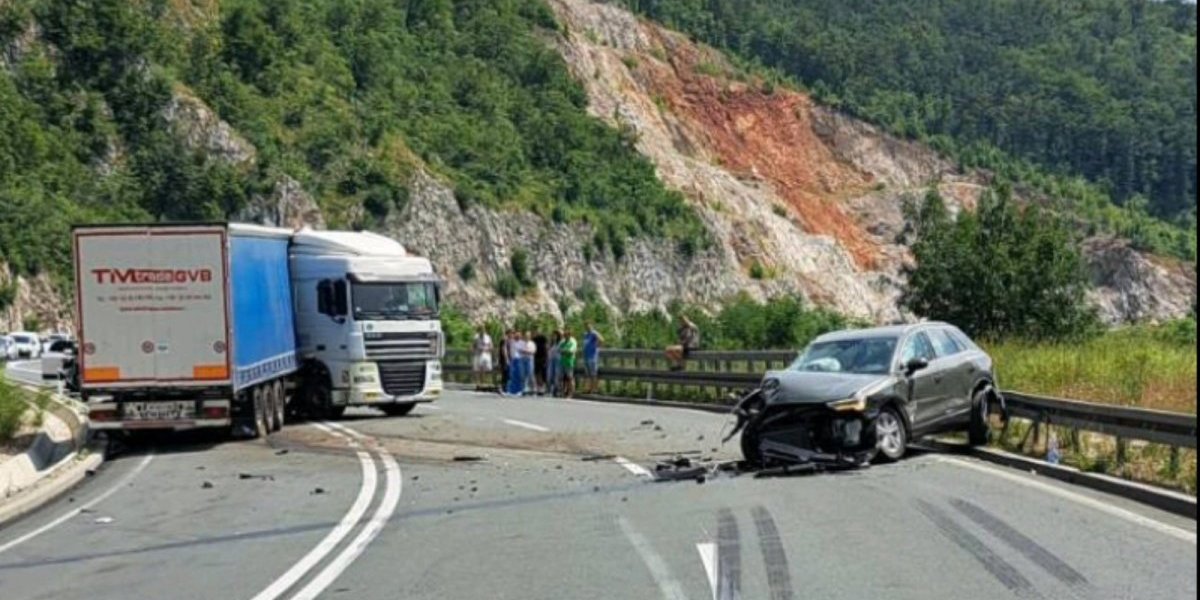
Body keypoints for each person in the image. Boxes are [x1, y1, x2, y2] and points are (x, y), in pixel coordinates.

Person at [582, 323, 604, 394]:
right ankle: (588, 388)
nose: (587, 327)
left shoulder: (594, 333)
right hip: (586, 356)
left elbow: (602, 340)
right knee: (588, 374)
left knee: (593, 374)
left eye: (589, 326)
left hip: (592, 356)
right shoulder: (586, 335)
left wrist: (597, 347)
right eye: (586, 326)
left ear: (592, 326)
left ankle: (594, 389)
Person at [471, 326, 493, 390]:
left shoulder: (488, 337)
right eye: (481, 330)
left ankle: (484, 382)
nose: (482, 331)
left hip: (485, 354)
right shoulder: (476, 337)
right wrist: (473, 349)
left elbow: (491, 346)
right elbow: (473, 345)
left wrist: (487, 349)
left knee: (485, 369)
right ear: (479, 330)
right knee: (477, 369)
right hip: (478, 354)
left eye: (483, 330)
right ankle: (478, 384)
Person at [558, 328, 578, 398]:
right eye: (564, 335)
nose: (565, 336)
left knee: (570, 378)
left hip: (569, 362)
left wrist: (564, 351)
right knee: (561, 378)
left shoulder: (573, 341)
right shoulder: (563, 342)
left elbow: (571, 351)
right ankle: (562, 392)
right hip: (562, 362)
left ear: (570, 335)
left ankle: (571, 393)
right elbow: (558, 350)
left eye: (566, 335)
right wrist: (565, 351)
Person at [520, 331, 538, 395]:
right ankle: (525, 388)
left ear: (529, 337)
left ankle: (534, 388)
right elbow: (520, 351)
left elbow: (533, 352)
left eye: (527, 336)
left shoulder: (532, 343)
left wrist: (525, 351)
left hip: (529, 359)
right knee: (524, 374)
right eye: (525, 336)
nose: (526, 337)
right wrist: (526, 352)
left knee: (530, 374)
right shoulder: (522, 343)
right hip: (523, 359)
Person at [533, 329, 549, 396]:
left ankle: (543, 388)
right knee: (536, 373)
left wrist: (546, 358)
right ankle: (538, 388)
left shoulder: (543, 338)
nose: (537, 332)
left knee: (543, 373)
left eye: (538, 331)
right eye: (536, 331)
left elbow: (547, 346)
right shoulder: (534, 339)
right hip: (536, 357)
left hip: (543, 358)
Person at [547, 330, 562, 397]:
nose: (554, 337)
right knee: (550, 375)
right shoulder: (552, 344)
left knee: (556, 375)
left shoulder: (560, 343)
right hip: (551, 360)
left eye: (555, 335)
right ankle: (550, 390)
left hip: (558, 360)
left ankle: (556, 390)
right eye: (553, 335)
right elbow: (548, 351)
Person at [498, 329, 512, 393]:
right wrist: (507, 359)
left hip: (506, 359)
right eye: (511, 333)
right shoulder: (504, 340)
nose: (512, 335)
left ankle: (505, 388)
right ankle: (504, 388)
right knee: (505, 374)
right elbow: (504, 350)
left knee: (506, 374)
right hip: (504, 360)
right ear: (508, 333)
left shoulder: (507, 340)